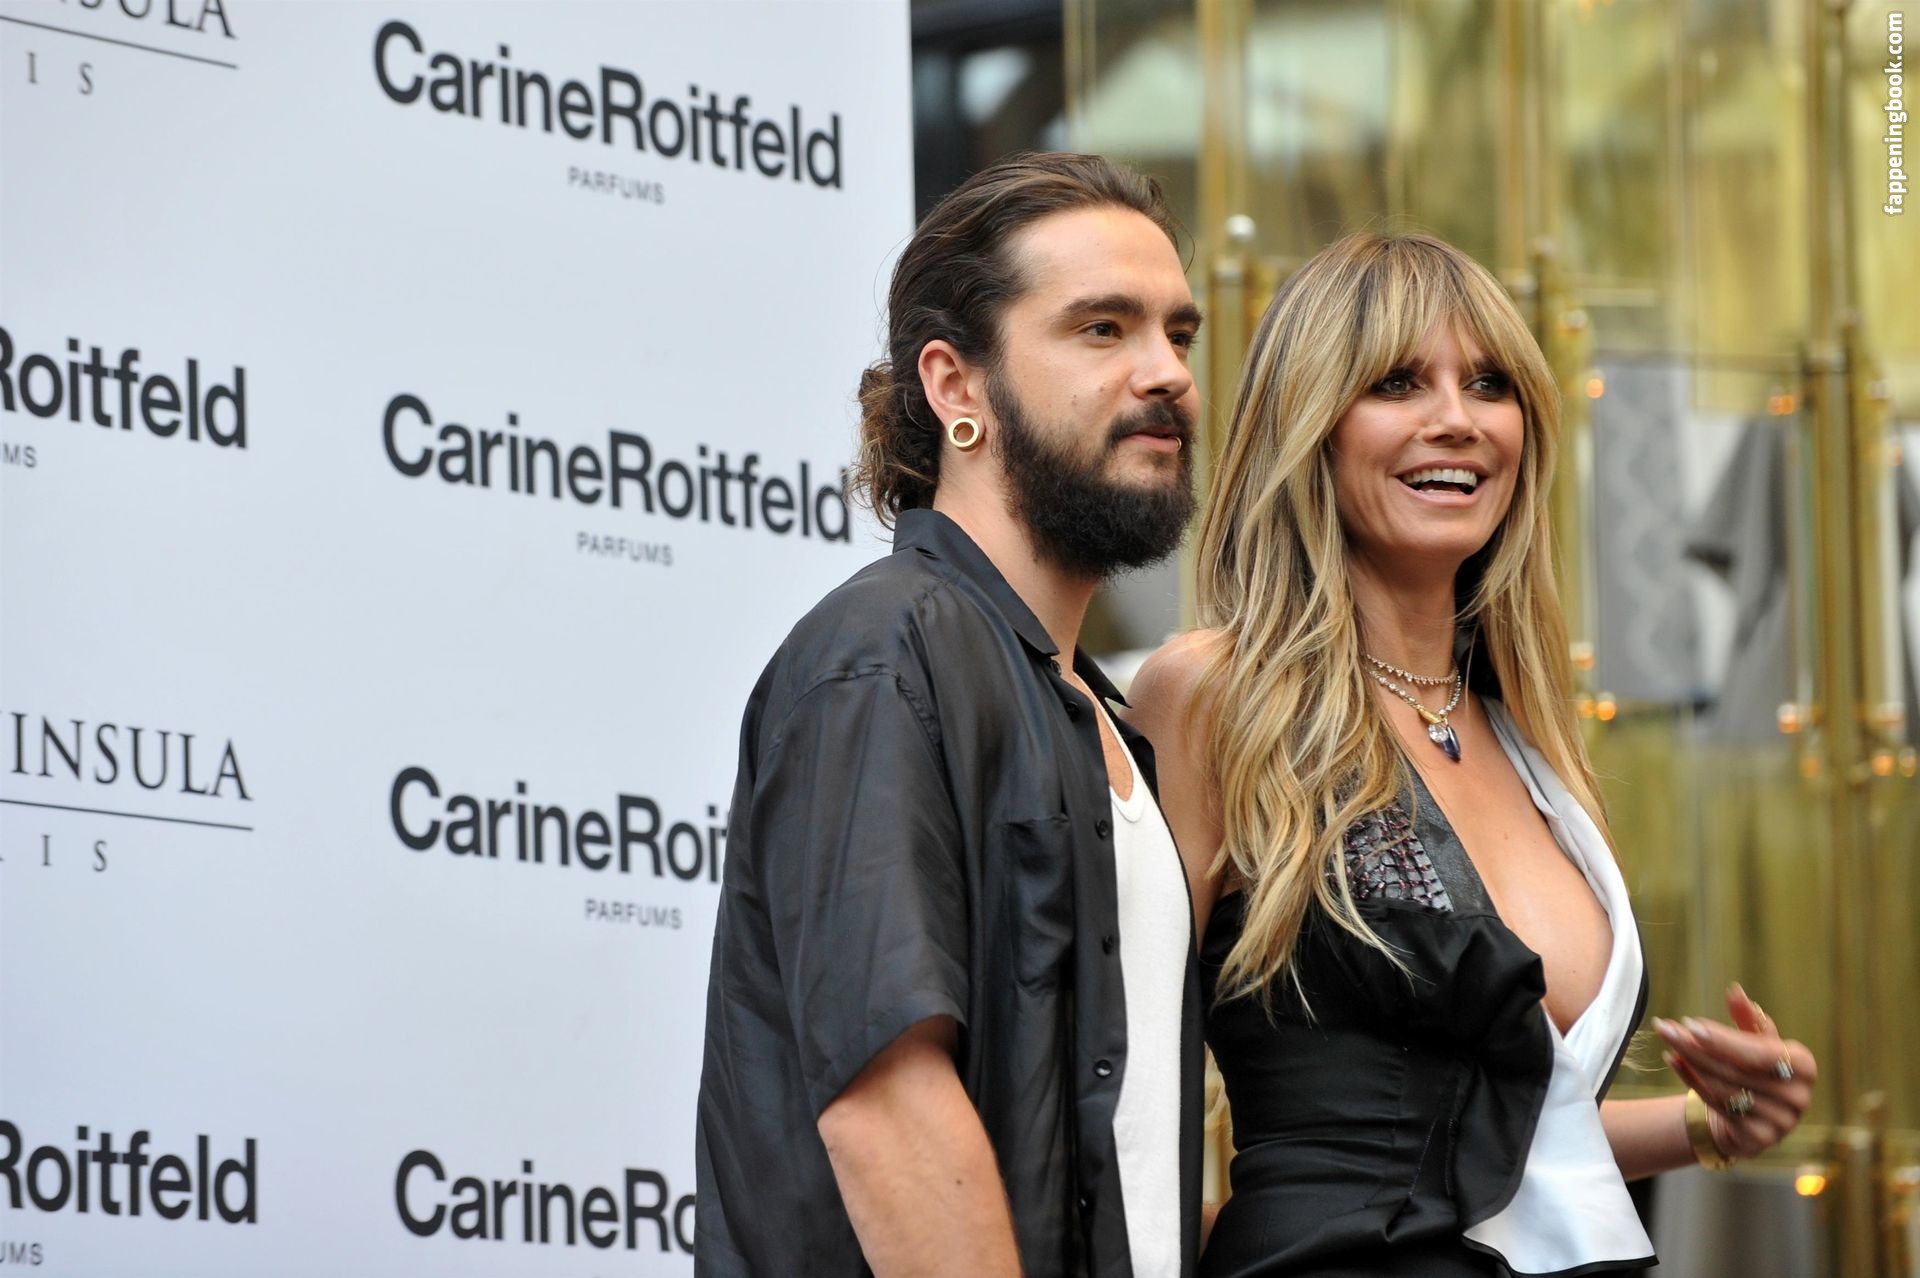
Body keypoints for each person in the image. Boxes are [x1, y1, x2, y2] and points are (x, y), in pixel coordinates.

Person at [1128, 231, 1818, 1277]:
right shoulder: (1216, 694)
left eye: (1489, 383)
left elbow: (1501, 1147)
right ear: (1309, 425)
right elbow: (1127, 1069)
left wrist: (1706, 1123)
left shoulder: (1527, 736)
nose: (1457, 417)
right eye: (1398, 382)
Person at [696, 152, 1207, 1277]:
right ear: (956, 386)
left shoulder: (1102, 717)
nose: (1166, 372)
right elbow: (887, 1106)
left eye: (1180, 334)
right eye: (1103, 329)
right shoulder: (883, 655)